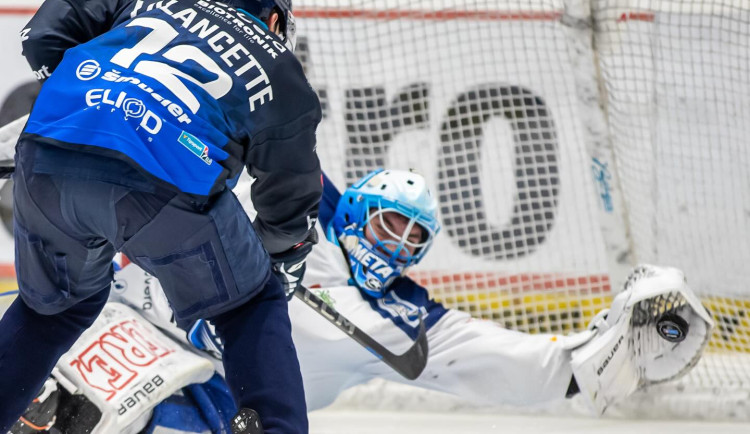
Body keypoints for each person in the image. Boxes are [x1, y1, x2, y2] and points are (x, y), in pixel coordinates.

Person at [8, 168, 714, 433]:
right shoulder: (300, 205)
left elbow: (530, 365)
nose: (398, 243)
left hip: (219, 404)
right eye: (387, 222)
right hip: (118, 316)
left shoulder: (405, 320)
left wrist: (602, 356)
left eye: (414, 237)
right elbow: (245, 145)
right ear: (356, 214)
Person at [0, 0, 322, 432]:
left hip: (48, 151)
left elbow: (41, 36)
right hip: (165, 179)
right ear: (274, 19)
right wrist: (280, 265)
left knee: (52, 311)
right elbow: (288, 209)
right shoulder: (275, 61)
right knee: (252, 305)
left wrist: (97, 100)